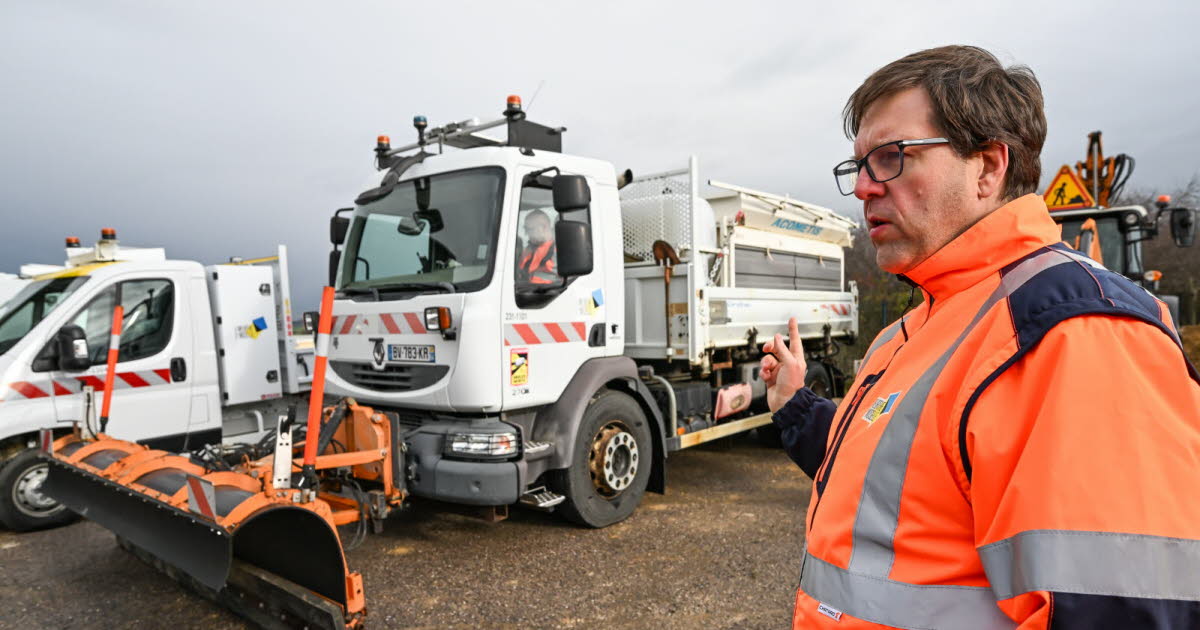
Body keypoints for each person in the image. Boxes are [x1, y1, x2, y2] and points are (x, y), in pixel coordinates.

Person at [761, 45, 1200, 629]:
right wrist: (797, 407)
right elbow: (893, 487)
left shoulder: (1070, 333)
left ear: (989, 167)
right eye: (857, 166)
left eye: (891, 157)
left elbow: (1119, 609)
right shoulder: (915, 328)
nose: (864, 188)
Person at [517, 209, 558, 285]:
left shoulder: (559, 251)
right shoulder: (528, 250)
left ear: (544, 227)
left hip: (546, 293)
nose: (526, 234)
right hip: (522, 290)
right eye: (525, 229)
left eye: (530, 229)